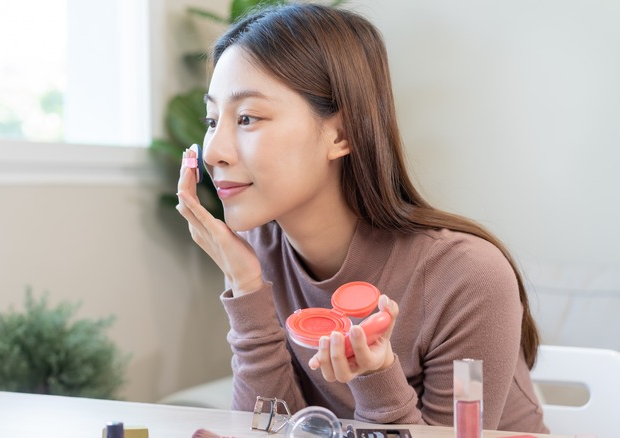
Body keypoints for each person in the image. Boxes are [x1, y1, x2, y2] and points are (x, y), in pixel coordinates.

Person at [175, 3, 547, 433]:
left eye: (247, 118)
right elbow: (273, 430)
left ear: (342, 134)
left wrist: (376, 375)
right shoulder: (257, 254)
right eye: (211, 119)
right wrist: (246, 287)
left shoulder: (468, 278)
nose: (214, 151)